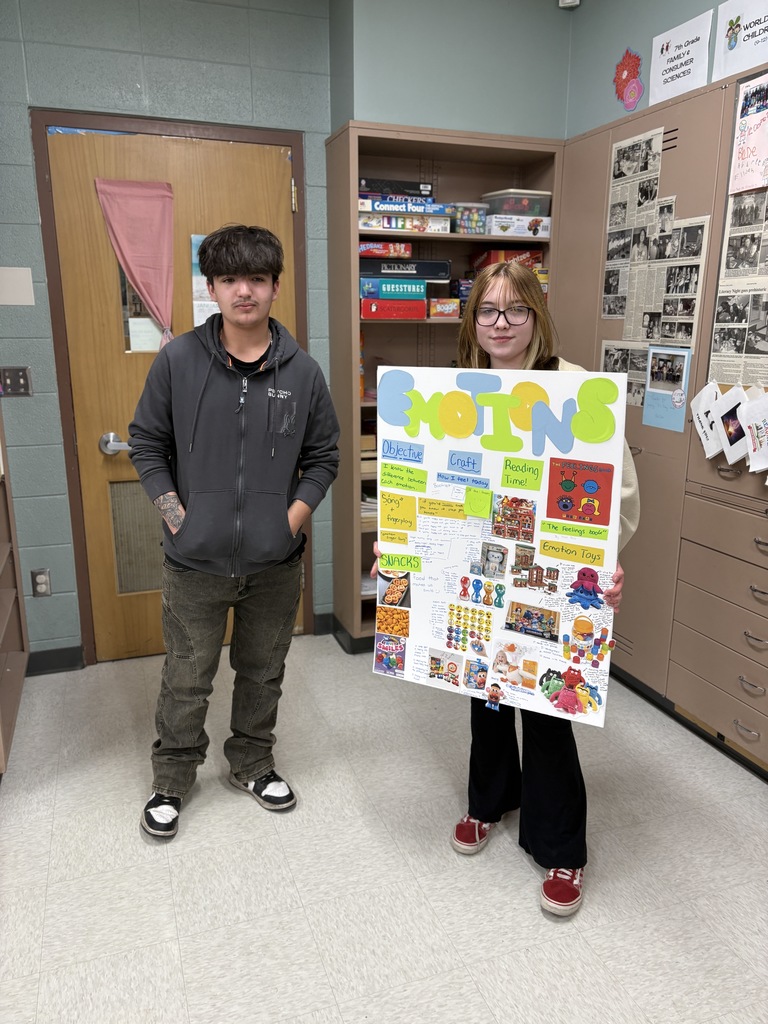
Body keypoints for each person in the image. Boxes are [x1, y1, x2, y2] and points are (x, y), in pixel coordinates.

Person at [130, 225, 340, 839]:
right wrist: (179, 516)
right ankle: (171, 778)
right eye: (228, 280)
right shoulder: (177, 360)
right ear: (212, 287)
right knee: (187, 674)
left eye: (256, 279)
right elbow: (147, 443)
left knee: (263, 669)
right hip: (194, 563)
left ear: (275, 286)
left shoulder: (302, 372)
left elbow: (324, 456)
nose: (242, 291)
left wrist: (290, 519)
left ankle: (251, 761)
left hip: (275, 563)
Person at [447, 262, 640, 916]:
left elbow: (620, 491)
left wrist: (604, 564)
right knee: (488, 694)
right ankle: (491, 799)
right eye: (488, 310)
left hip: (555, 581)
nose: (501, 323)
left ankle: (562, 845)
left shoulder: (576, 390)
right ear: (473, 319)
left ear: (537, 315)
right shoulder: (459, 391)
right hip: (481, 574)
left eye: (515, 310)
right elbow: (439, 490)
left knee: (552, 711)